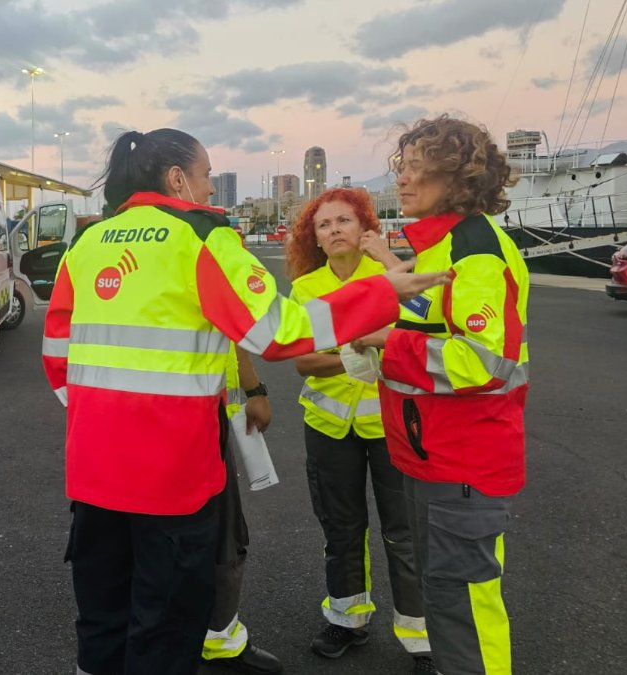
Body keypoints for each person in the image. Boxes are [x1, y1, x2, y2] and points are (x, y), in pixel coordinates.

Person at [42, 128, 450, 675]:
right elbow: (280, 331)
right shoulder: (201, 238)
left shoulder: (87, 244)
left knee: (101, 615)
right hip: (172, 475)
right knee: (164, 623)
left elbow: (56, 355)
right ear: (178, 179)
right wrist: (381, 293)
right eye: (207, 175)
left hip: (93, 469)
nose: (211, 190)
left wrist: (102, 418)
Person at [354, 115, 528, 675]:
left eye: (417, 168)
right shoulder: (442, 246)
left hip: (463, 462)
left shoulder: (474, 250)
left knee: (464, 611)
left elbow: (480, 362)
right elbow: (434, 325)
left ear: (458, 177)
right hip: (434, 458)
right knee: (449, 600)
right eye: (401, 167)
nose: (402, 180)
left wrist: (384, 339)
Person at [285, 188, 432, 673]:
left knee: (402, 532)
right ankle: (348, 619)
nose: (334, 230)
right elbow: (303, 361)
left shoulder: (391, 279)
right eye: (324, 225)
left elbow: (420, 338)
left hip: (391, 427)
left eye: (344, 220)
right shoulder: (307, 289)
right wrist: (360, 351)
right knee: (342, 528)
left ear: (364, 227)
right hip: (328, 428)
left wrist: (352, 347)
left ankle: (419, 636)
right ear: (317, 240)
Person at [202, 346, 282, 674]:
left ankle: (217, 637)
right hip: (169, 421)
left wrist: (254, 390)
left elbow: (232, 333)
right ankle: (203, 639)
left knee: (223, 531)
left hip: (205, 416)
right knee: (212, 533)